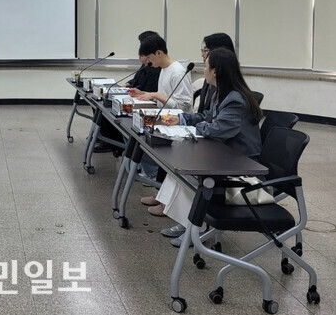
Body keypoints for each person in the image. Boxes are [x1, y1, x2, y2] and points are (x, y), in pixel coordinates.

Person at [157, 48, 263, 245]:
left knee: (191, 174)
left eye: (205, 66)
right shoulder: (222, 93)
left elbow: (217, 129)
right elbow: (208, 117)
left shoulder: (235, 99)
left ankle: (195, 229)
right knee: (181, 170)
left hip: (241, 168)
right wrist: (182, 119)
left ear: (215, 71)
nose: (203, 69)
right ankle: (187, 222)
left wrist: (195, 127)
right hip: (226, 156)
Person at [129, 34, 193, 216]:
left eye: (149, 58)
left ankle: (168, 203)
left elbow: (184, 105)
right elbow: (165, 98)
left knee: (166, 162)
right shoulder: (164, 69)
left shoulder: (177, 71)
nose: (148, 62)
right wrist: (144, 94)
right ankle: (160, 195)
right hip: (165, 121)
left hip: (178, 126)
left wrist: (155, 95)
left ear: (159, 53)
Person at [94, 31, 161, 154]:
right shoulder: (146, 64)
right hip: (133, 95)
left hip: (141, 102)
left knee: (108, 107)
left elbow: (149, 90)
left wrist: (134, 91)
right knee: (101, 102)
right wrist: (128, 84)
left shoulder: (155, 67)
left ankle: (113, 142)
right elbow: (136, 79)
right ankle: (103, 136)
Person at [197, 33, 236, 114]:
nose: (202, 55)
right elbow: (205, 113)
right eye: (202, 51)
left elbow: (214, 118)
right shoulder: (210, 79)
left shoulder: (227, 87)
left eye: (206, 51)